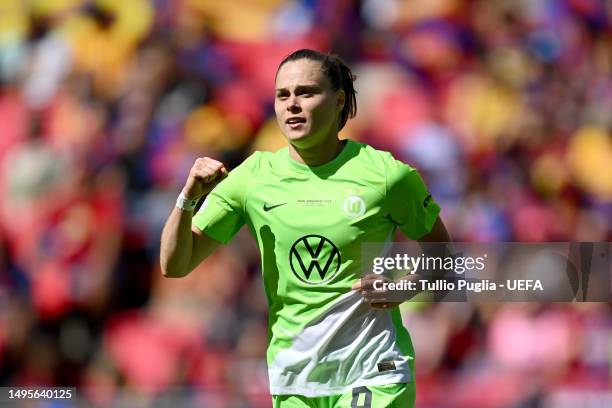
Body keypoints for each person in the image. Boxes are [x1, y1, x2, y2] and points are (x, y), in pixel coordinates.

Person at [160, 49, 450, 408]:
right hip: (295, 378)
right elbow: (175, 265)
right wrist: (188, 199)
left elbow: (445, 261)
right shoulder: (253, 178)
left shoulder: (387, 175)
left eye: (306, 93)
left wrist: (403, 290)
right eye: (283, 95)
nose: (292, 105)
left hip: (374, 370)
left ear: (338, 100)